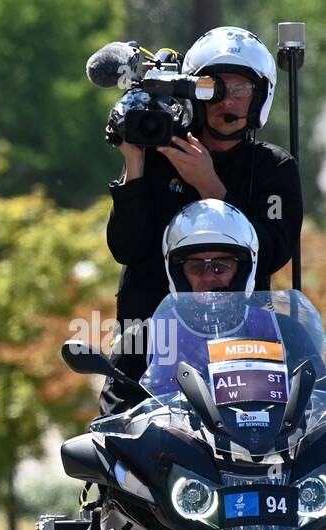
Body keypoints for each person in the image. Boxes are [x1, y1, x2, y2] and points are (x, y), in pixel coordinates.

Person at [66, 200, 261, 530]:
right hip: (185, 470)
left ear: (245, 268)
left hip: (264, 471)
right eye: (198, 266)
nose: (211, 278)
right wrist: (118, 434)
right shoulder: (148, 333)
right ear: (177, 271)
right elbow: (113, 409)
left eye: (223, 265)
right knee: (102, 513)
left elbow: (314, 384)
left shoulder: (273, 328)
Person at [101, 25, 301, 416]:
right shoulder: (159, 152)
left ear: (261, 96)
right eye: (213, 87)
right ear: (192, 91)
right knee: (117, 461)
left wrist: (209, 184)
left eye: (241, 88)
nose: (226, 100)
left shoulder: (274, 167)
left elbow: (274, 252)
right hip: (148, 346)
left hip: (242, 350)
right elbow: (126, 248)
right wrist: (135, 161)